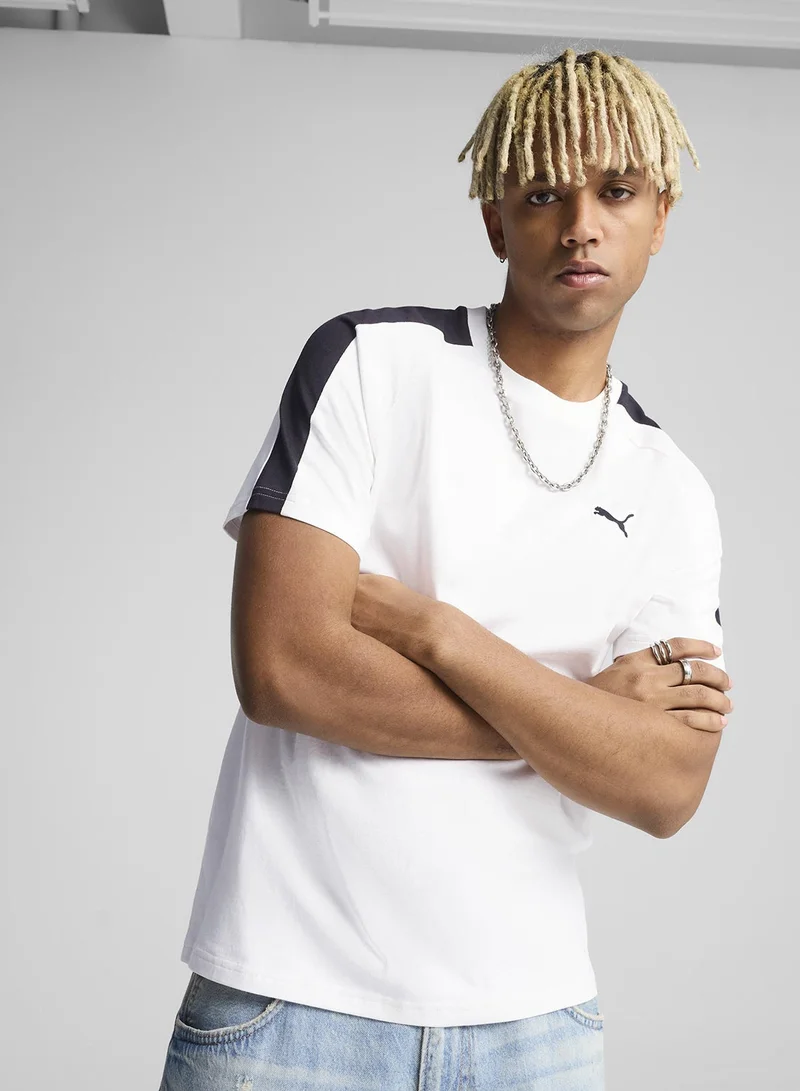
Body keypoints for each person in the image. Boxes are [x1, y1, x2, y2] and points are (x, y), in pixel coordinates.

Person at [157, 46, 733, 1090]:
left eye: (616, 191)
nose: (580, 225)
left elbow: (663, 784)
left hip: (536, 1031)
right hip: (291, 1003)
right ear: (495, 220)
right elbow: (285, 670)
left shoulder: (673, 489)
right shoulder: (371, 365)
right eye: (543, 194)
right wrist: (577, 714)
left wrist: (437, 632)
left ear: (660, 216)